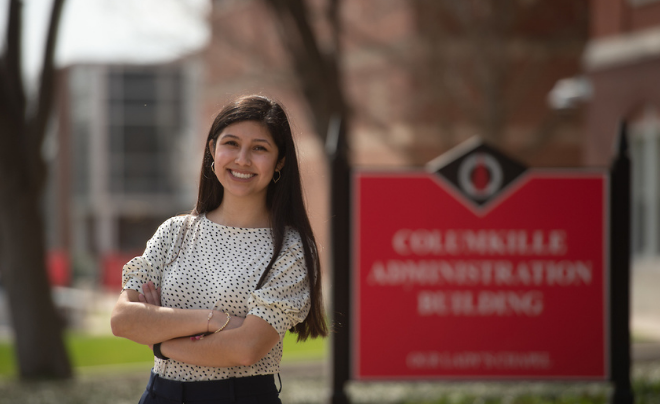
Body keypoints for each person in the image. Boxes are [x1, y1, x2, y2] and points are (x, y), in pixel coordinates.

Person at [111, 95, 328, 404]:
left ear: (280, 161)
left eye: (259, 148)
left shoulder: (291, 249)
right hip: (160, 395)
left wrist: (159, 340)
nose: (242, 159)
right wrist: (213, 320)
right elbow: (123, 320)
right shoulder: (175, 232)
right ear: (213, 149)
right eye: (231, 143)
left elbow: (245, 349)